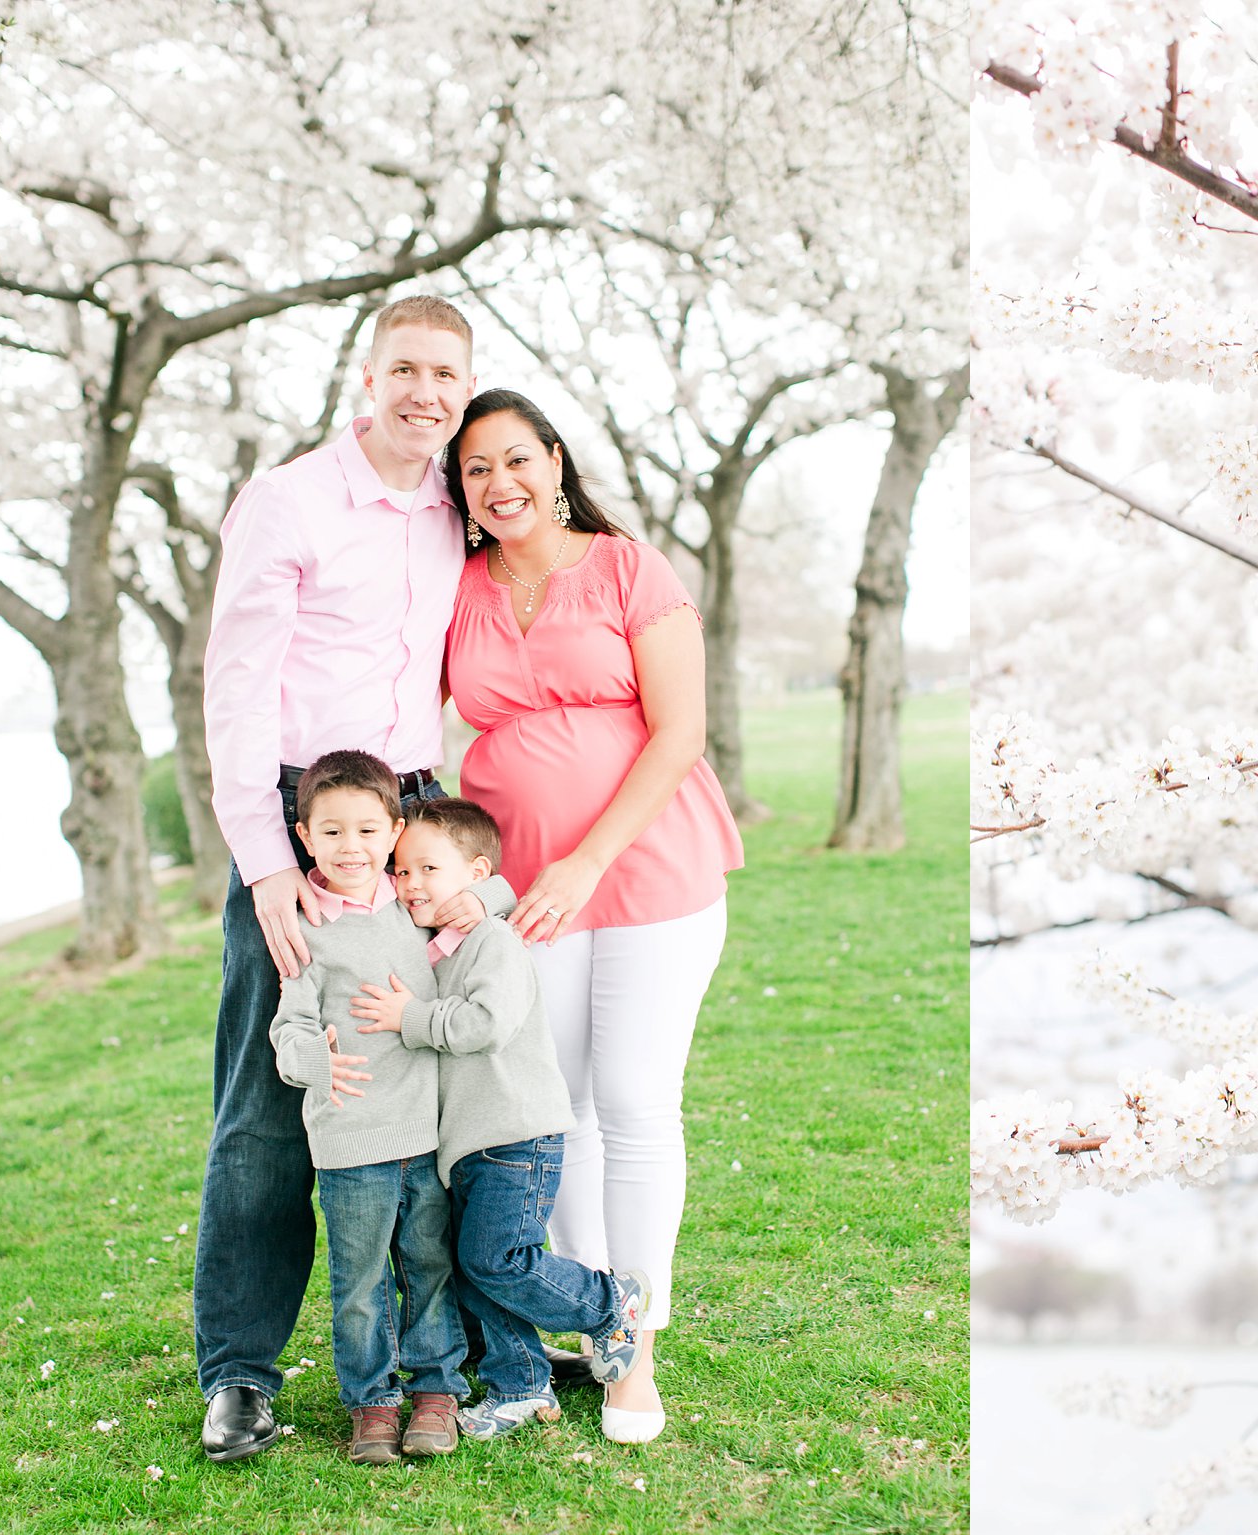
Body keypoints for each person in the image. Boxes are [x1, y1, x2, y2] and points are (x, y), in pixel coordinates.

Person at [194, 294, 479, 1464]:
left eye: (444, 376)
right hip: (306, 819)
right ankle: (242, 1373)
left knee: (430, 1080)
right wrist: (268, 862)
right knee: (271, 1104)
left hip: (412, 817)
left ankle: (450, 1361)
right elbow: (236, 687)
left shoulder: (453, 510)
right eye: (403, 370)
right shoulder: (290, 501)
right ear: (368, 378)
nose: (424, 394)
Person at [441, 389, 745, 1444]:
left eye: (515, 458)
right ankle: (592, 1315)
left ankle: (638, 1348)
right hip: (526, 883)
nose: (500, 483)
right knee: (552, 1104)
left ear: (555, 460)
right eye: (476, 468)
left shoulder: (627, 568)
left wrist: (587, 857)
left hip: (647, 867)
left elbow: (679, 731)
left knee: (633, 1097)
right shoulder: (461, 588)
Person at [348, 796, 651, 1439]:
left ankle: (605, 1304)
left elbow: (486, 1024)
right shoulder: (433, 949)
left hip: (517, 1133)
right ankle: (521, 1386)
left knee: (499, 1259)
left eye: (428, 868)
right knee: (476, 1265)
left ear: (478, 874)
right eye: (401, 872)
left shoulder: (491, 940)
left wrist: (411, 1019)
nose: (410, 884)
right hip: (468, 1142)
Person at [267, 751, 467, 1464]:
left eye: (365, 830)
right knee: (360, 1280)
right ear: (303, 835)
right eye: (331, 831)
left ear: (393, 832)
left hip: (425, 1127)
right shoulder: (304, 924)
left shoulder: (417, 905)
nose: (349, 846)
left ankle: (437, 1390)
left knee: (428, 1263)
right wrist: (317, 1060)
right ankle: (373, 1404)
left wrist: (485, 902)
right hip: (350, 1137)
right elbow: (287, 1031)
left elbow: (488, 896)